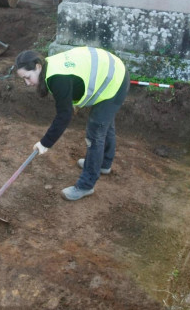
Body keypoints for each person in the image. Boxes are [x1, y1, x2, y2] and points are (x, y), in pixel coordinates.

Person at [14, 47, 130, 201]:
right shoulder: (49, 69)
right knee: (104, 124)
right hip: (110, 72)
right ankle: (103, 164)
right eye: (24, 79)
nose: (27, 83)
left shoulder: (58, 78)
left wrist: (45, 143)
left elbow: (64, 115)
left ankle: (86, 185)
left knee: (96, 132)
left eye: (27, 77)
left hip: (114, 80)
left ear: (38, 67)